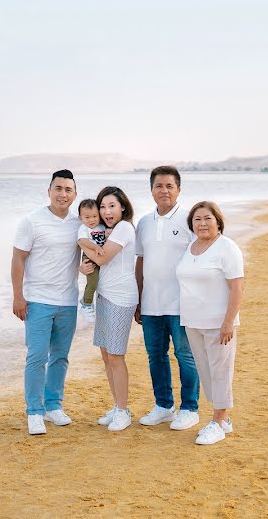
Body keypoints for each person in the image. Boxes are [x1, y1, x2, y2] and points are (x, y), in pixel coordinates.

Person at [11, 169, 82, 436]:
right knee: (37, 356)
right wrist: (18, 296)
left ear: (75, 194)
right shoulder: (32, 221)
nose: (63, 194)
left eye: (68, 190)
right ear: (49, 191)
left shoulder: (79, 224)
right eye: (58, 189)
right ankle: (35, 412)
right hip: (38, 300)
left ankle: (53, 406)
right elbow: (18, 259)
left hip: (68, 301)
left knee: (60, 357)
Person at [134, 166, 201, 431]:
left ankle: (189, 408)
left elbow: (202, 256)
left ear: (178, 189)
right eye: (159, 186)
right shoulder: (144, 223)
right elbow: (140, 261)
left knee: (185, 355)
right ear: (151, 190)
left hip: (182, 302)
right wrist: (138, 298)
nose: (164, 191)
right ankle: (163, 406)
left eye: (169, 186)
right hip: (151, 303)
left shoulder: (189, 219)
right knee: (155, 356)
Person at [175, 201, 245, 445]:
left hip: (218, 322)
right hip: (193, 321)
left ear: (218, 221)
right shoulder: (190, 246)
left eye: (207, 218)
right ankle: (223, 421)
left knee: (220, 370)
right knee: (205, 370)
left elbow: (237, 286)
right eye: (197, 219)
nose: (202, 223)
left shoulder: (227, 248)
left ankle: (218, 421)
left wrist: (228, 322)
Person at [80, 186, 138, 432]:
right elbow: (95, 260)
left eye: (112, 206)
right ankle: (117, 406)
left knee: (116, 356)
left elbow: (103, 258)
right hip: (104, 295)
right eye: (102, 207)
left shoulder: (124, 228)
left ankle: (123, 411)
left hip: (121, 297)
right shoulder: (104, 231)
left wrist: (84, 248)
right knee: (106, 356)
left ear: (122, 206)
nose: (106, 211)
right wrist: (85, 267)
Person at [76, 199, 108, 324]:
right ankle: (86, 303)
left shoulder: (101, 226)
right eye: (87, 217)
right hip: (89, 258)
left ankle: (98, 308)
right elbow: (82, 241)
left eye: (95, 216)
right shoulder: (83, 228)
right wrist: (95, 247)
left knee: (102, 284)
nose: (91, 220)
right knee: (93, 281)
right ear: (80, 218)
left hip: (101, 257)